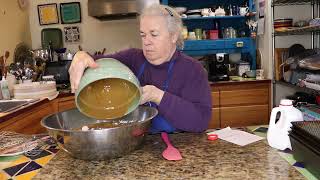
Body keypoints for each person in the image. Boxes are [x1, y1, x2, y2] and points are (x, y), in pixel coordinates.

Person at [69, 4, 212, 133]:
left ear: (173, 36)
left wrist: (157, 96)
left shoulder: (193, 70)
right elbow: (95, 62)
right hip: (136, 142)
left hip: (180, 146)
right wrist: (81, 56)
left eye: (154, 34)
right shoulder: (132, 58)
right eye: (143, 35)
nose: (146, 42)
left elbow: (200, 121)